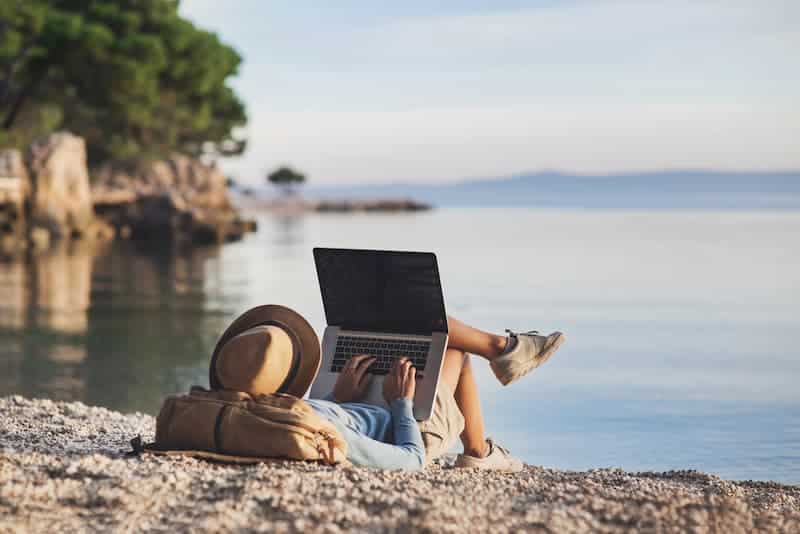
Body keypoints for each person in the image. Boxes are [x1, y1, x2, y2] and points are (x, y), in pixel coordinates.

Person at [209, 306, 565, 472]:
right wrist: (401, 403)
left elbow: (319, 415)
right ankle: (479, 451)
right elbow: (410, 460)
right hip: (408, 429)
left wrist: (337, 399)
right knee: (450, 347)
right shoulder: (315, 429)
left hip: (354, 406)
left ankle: (503, 350)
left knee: (407, 323)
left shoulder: (256, 415)